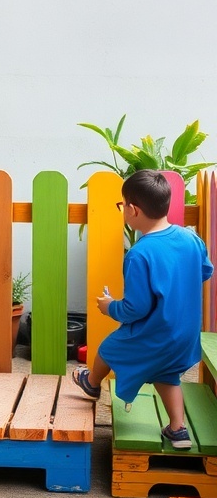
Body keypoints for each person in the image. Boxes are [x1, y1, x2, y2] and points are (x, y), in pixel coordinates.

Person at [73, 169, 213, 449]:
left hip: (156, 332)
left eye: (122, 205)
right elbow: (205, 272)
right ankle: (178, 430)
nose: (122, 210)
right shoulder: (191, 240)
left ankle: (91, 381)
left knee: (111, 347)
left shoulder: (139, 254)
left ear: (133, 210)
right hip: (184, 334)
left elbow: (136, 308)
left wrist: (109, 306)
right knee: (168, 375)